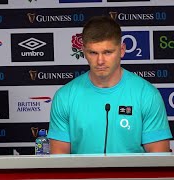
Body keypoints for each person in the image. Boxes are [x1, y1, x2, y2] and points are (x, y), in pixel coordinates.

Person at [47, 16, 172, 154]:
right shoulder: (64, 97)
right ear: (83, 51)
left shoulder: (147, 95)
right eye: (93, 53)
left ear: (122, 50)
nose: (100, 61)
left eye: (107, 52)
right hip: (82, 176)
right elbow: (59, 163)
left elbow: (159, 161)